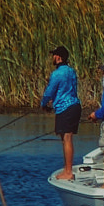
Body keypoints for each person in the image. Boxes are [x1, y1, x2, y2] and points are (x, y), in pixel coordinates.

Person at [40, 46, 81, 180]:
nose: (52, 58)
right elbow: (69, 88)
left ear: (58, 57)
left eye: (54, 55)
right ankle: (66, 169)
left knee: (66, 139)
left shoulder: (57, 73)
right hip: (75, 105)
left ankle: (68, 172)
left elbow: (49, 91)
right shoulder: (71, 71)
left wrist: (43, 104)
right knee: (67, 138)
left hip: (65, 108)